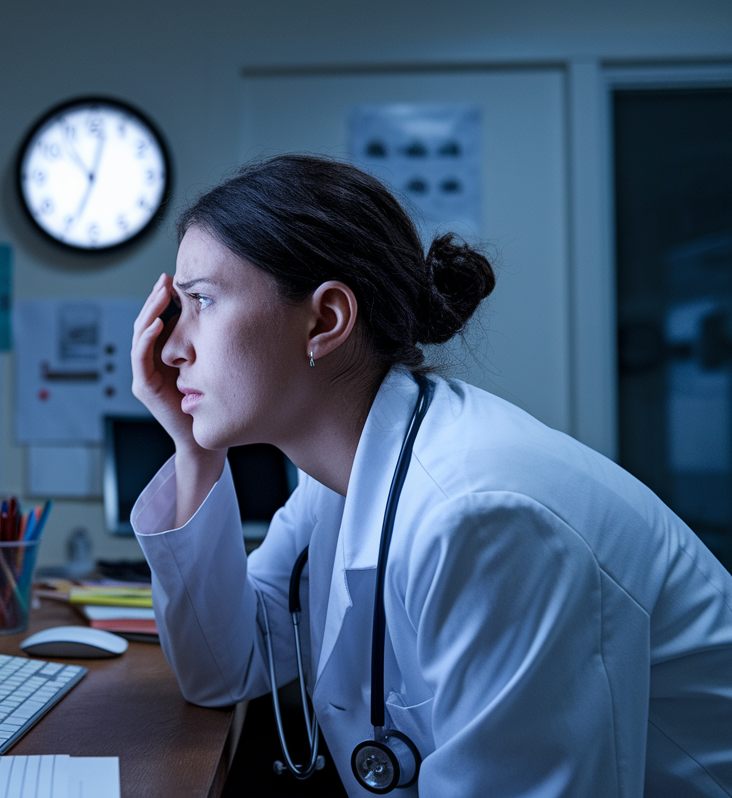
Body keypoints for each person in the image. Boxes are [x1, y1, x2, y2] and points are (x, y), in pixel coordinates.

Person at [129, 154, 732, 797]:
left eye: (201, 301)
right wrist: (194, 447)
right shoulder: (340, 478)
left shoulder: (483, 514)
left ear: (326, 319)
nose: (169, 348)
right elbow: (223, 669)